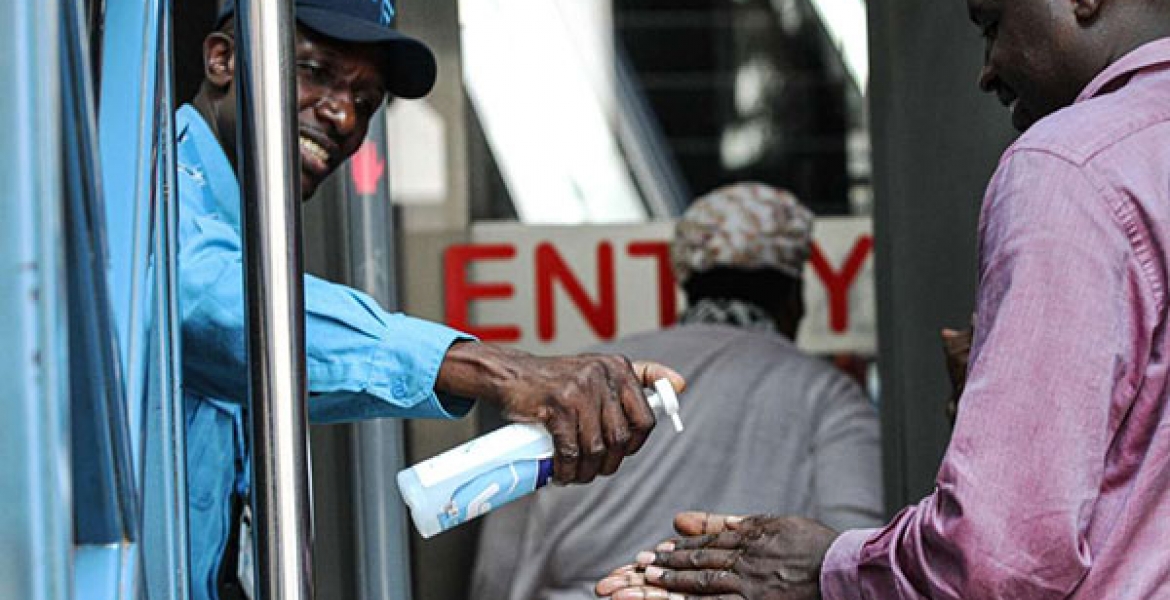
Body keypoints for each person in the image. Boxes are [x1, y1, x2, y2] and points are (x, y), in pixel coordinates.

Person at [598, 1, 1170, 598]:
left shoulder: (1067, 167)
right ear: (794, 293)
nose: (987, 70)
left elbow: (998, 557)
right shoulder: (823, 397)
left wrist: (822, 567)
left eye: (992, 25)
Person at [175, 1, 684, 599]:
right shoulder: (157, 180)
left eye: (366, 103)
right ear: (223, 60)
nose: (342, 116)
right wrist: (495, 370)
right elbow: (208, 305)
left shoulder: (245, 227)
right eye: (313, 72)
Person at [470, 183, 883, 600]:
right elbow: (850, 553)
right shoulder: (825, 392)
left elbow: (501, 559)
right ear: (794, 297)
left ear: (686, 284)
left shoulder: (586, 377)